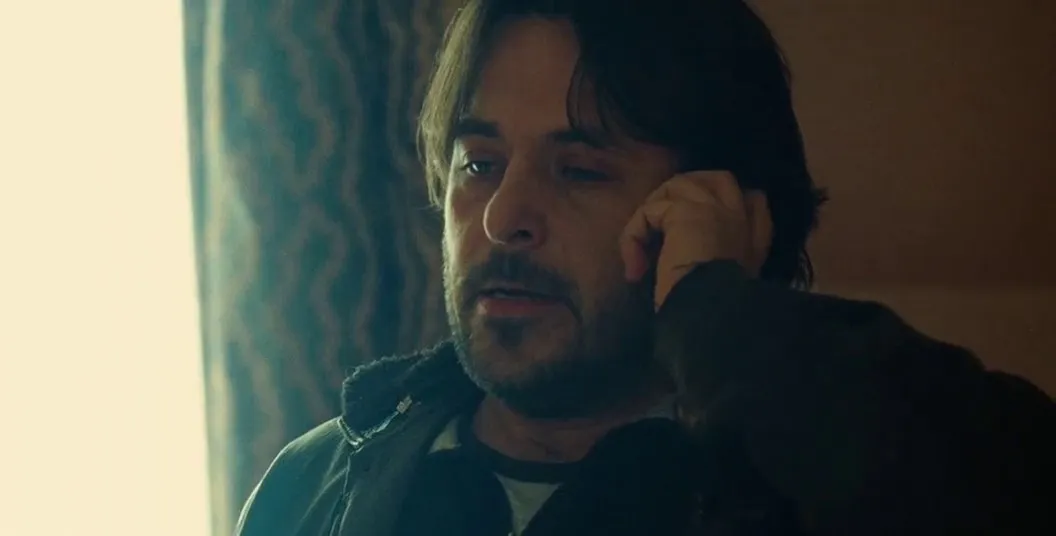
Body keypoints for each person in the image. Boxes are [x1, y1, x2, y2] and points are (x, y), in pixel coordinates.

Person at [234, 0, 1056, 534]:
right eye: (479, 164)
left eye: (579, 171)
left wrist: (719, 310)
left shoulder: (793, 485)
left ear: (712, 205)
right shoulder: (320, 479)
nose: (502, 217)